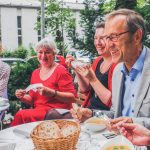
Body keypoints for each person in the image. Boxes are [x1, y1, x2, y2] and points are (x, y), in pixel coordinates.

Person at [71, 9, 150, 130]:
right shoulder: (118, 71)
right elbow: (115, 114)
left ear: (137, 36)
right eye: (107, 38)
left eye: (114, 37)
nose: (109, 45)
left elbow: (126, 120)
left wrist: (132, 122)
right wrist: (92, 114)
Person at [10, 37, 76, 126]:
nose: (43, 56)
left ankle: (13, 139)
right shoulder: (35, 73)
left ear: (54, 54)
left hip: (56, 114)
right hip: (40, 112)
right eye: (40, 52)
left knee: (21, 115)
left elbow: (72, 98)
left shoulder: (60, 71)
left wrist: (52, 93)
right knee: (22, 115)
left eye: (47, 52)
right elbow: (32, 100)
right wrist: (22, 96)